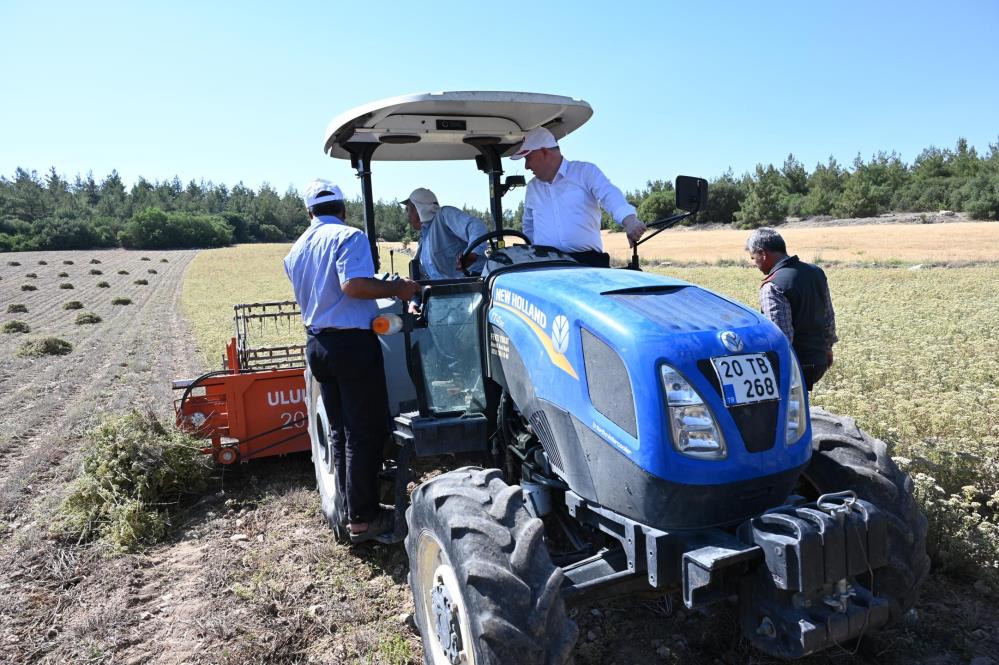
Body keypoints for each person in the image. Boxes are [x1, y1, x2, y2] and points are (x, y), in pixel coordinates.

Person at [284, 179, 419, 543]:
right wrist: (399, 288)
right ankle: (364, 518)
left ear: (310, 212)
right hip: (351, 345)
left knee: (341, 431)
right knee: (366, 431)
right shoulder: (348, 237)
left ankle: (349, 513)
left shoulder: (295, 250)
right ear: (342, 209)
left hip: (319, 346)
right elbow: (353, 286)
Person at [509, 126, 646, 268]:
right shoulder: (532, 187)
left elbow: (609, 195)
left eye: (528, 158)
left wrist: (630, 221)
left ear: (544, 151)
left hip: (588, 264)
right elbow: (529, 227)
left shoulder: (585, 172)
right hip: (546, 266)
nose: (526, 166)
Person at [746, 227, 837, 390]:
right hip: (818, 360)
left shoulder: (773, 285)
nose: (754, 263)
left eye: (753, 257)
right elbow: (828, 318)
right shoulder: (815, 272)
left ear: (763, 254)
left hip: (796, 365)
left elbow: (781, 338)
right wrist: (827, 349)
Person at [402, 187, 489, 279]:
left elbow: (477, 226)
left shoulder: (444, 215)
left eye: (408, 209)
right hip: (448, 289)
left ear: (418, 208)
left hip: (474, 283)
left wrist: (472, 253)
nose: (408, 215)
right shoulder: (424, 239)